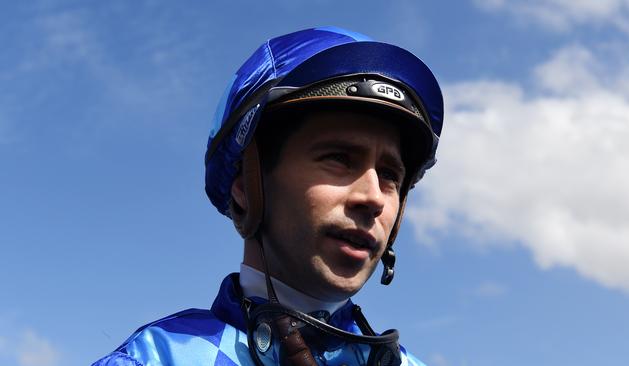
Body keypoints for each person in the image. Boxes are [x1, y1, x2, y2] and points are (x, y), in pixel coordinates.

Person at [93, 26, 443, 366]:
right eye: (338, 159)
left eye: (390, 176)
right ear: (246, 185)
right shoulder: (155, 359)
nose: (373, 198)